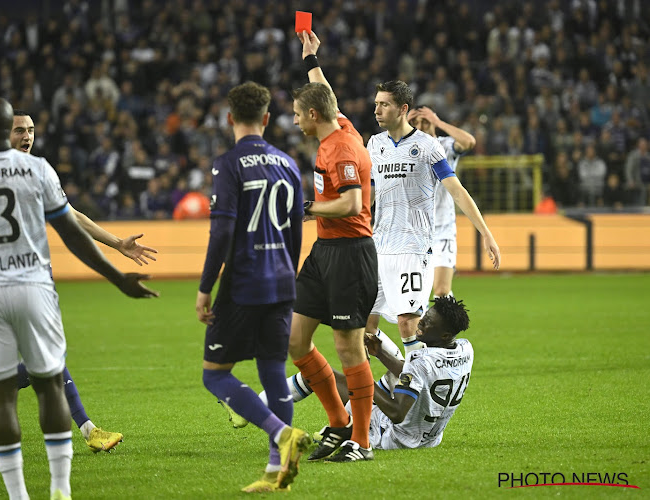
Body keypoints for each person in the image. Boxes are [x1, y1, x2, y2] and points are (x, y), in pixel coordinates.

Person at [0, 96, 156, 500]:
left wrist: (116, 244)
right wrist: (115, 270)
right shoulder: (36, 171)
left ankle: (27, 485)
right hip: (32, 283)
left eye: (31, 130)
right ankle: (67, 472)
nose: (27, 136)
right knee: (50, 372)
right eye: (20, 129)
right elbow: (71, 228)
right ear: (2, 131)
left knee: (18, 383)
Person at [195, 81, 310, 493]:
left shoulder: (227, 164)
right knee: (272, 369)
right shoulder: (288, 164)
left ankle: (282, 434)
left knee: (215, 375)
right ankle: (277, 471)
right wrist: (286, 272)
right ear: (265, 118)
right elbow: (297, 231)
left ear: (230, 119)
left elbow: (222, 230)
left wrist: (206, 287)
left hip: (244, 281)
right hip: (282, 280)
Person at [364, 76, 499, 395]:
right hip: (378, 248)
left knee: (407, 323)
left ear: (403, 109)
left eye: (384, 104)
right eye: (376, 104)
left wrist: (486, 233)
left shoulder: (427, 146)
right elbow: (369, 195)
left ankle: (418, 393)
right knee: (364, 333)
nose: (377, 110)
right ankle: (380, 391)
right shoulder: (375, 145)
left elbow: (457, 190)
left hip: (413, 249)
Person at [287, 31, 378, 463]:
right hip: (325, 252)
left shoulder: (339, 148)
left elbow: (352, 202)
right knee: (297, 340)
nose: (294, 123)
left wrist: (306, 208)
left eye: (296, 116)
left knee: (348, 347)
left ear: (311, 115)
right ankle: (339, 422)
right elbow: (330, 98)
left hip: (350, 252)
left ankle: (362, 440)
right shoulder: (338, 126)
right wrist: (311, 58)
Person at [267, 296, 474, 450]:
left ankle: (259, 409)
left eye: (428, 323)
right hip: (428, 439)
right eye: (425, 316)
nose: (420, 323)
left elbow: (396, 414)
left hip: (393, 437)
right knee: (334, 378)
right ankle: (343, 424)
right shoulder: (465, 348)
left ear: (445, 334)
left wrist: (363, 380)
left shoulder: (421, 361)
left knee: (318, 375)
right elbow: (418, 375)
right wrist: (381, 354)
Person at [407, 106, 476, 298]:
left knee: (441, 291)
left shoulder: (444, 145)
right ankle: (429, 326)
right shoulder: (405, 149)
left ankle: (449, 323)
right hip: (415, 232)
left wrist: (438, 122)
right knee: (415, 294)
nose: (420, 126)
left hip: (443, 230)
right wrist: (402, 123)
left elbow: (469, 141)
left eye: (425, 122)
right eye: (415, 123)